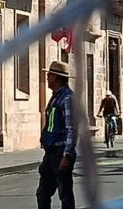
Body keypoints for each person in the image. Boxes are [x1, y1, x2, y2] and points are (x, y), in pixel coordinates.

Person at [37, 60, 76, 209]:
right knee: (43, 193)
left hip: (61, 152)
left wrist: (67, 155)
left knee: (64, 194)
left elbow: (72, 129)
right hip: (51, 152)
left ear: (57, 78)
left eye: (49, 75)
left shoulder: (67, 99)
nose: (47, 78)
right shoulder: (55, 97)